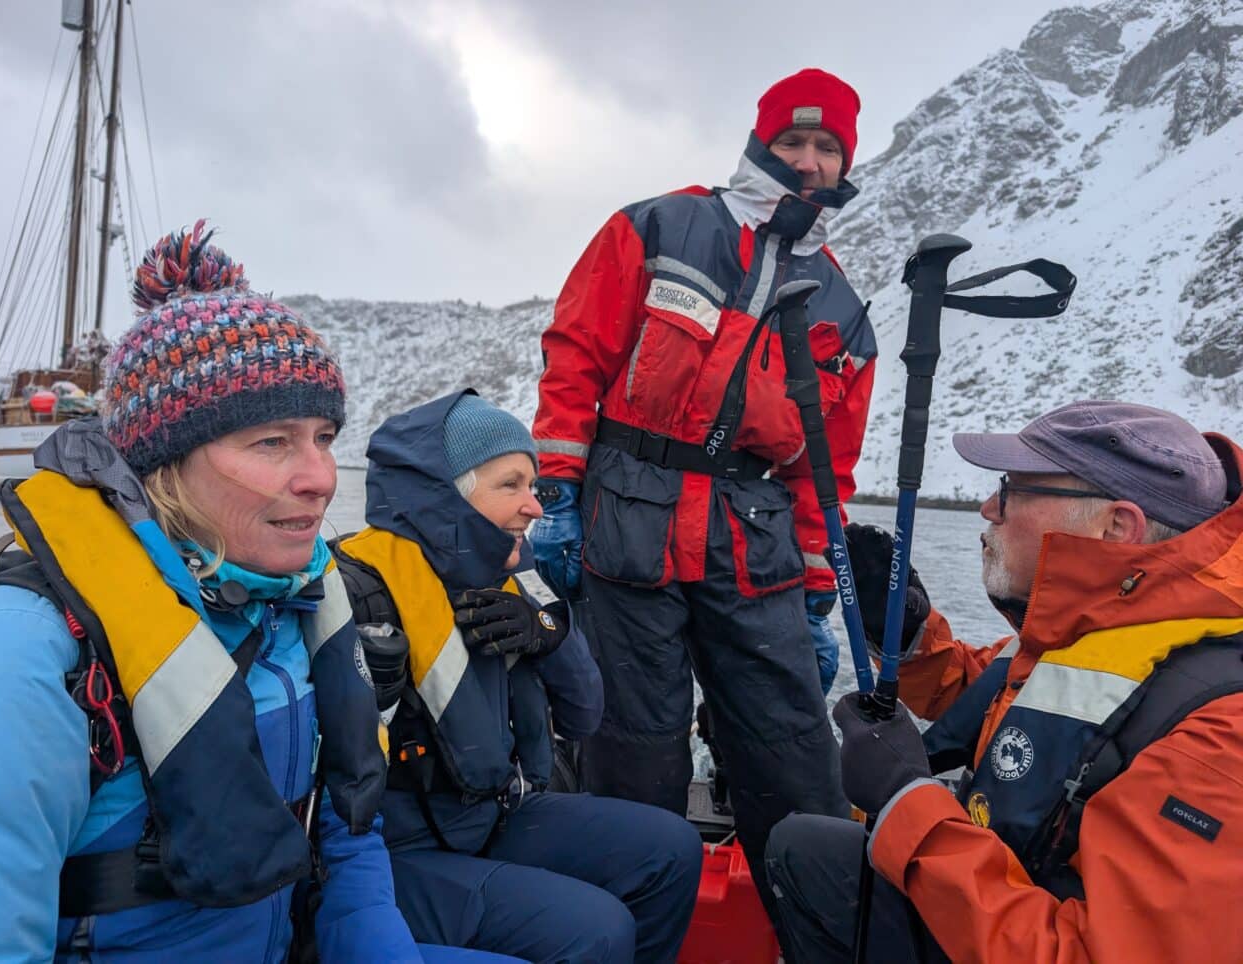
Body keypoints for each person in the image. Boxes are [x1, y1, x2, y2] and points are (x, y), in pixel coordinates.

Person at [0, 223, 511, 963]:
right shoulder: (23, 654)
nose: (320, 475)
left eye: (323, 436)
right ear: (163, 465)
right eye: (271, 442)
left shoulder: (298, 611)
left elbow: (349, 838)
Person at [529, 66, 875, 917]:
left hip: (754, 547)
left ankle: (811, 933)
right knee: (631, 755)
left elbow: (826, 466)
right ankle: (623, 930)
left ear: (845, 164)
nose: (807, 160)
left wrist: (820, 591)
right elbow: (576, 358)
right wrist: (557, 493)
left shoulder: (844, 306)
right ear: (759, 143)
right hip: (628, 524)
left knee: (795, 757)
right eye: (792, 140)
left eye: (826, 146)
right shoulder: (657, 226)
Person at [765, 400, 1243, 962]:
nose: (989, 508)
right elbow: (1005, 701)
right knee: (810, 851)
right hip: (1000, 898)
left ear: (1116, 527)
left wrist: (905, 802)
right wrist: (907, 631)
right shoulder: (1105, 621)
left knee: (804, 851)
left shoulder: (1218, 733)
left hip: (1021, 933)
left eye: (1013, 491)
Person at [332, 391, 704, 964]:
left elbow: (584, 713)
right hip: (398, 852)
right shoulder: (362, 596)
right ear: (442, 496)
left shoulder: (517, 575)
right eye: (510, 486)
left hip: (497, 814)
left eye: (532, 487)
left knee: (674, 848)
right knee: (596, 930)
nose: (534, 506)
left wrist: (550, 636)